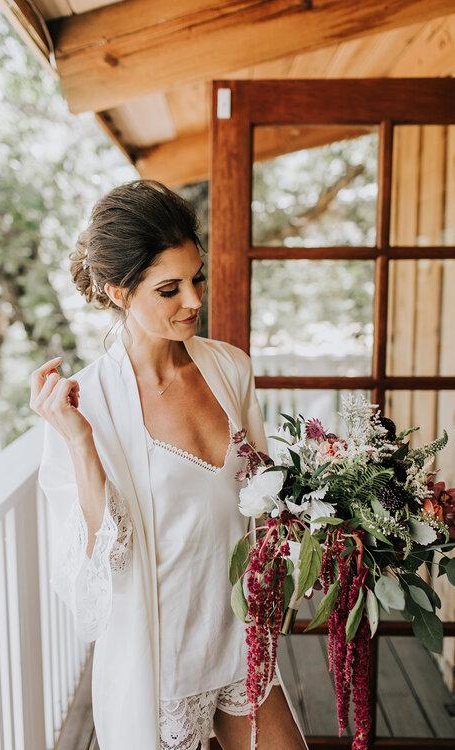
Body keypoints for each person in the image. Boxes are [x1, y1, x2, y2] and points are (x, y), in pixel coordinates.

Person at [31, 179, 309, 750]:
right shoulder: (88, 403)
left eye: (196, 279)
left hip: (238, 637)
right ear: (119, 293)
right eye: (169, 289)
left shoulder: (230, 369)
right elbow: (97, 566)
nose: (194, 301)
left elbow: (265, 500)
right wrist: (80, 442)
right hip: (160, 663)